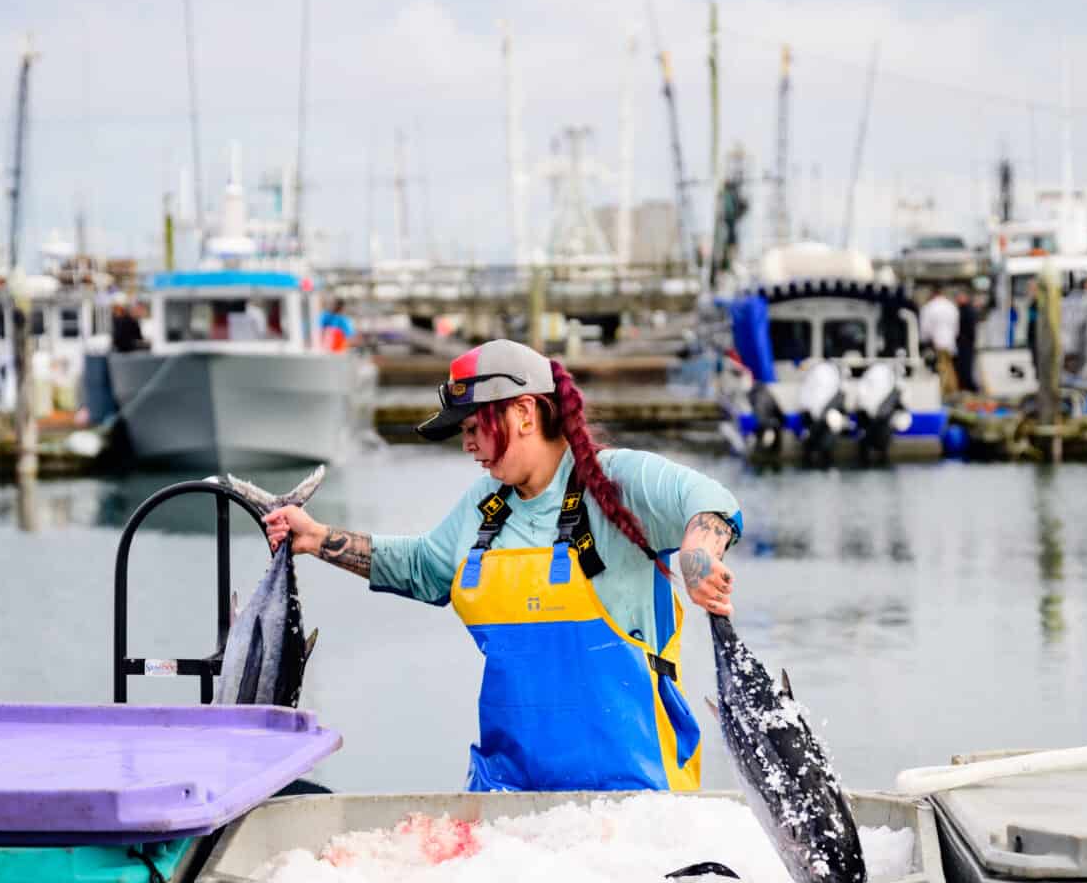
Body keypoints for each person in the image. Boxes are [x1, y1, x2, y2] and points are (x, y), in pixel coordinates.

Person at [263, 339, 742, 793]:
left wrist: (698, 554)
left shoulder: (619, 478)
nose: (467, 445)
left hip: (633, 794)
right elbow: (424, 568)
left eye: (474, 428)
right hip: (508, 797)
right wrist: (319, 539)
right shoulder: (483, 507)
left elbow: (710, 504)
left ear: (524, 412)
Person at [920, 285, 960, 398]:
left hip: (936, 343)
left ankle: (941, 394)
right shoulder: (951, 306)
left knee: (941, 369)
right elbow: (956, 328)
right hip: (950, 342)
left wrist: (924, 341)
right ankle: (951, 393)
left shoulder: (929, 307)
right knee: (949, 368)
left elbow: (925, 328)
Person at [955, 288, 980, 395]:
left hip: (966, 342)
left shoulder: (967, 310)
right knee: (964, 365)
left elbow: (970, 328)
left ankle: (968, 385)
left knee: (966, 365)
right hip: (964, 342)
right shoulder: (962, 310)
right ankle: (965, 385)